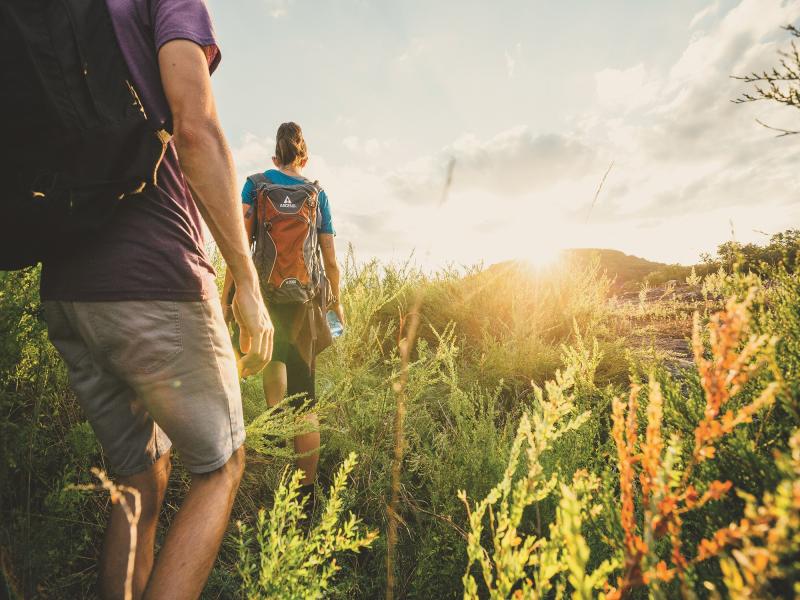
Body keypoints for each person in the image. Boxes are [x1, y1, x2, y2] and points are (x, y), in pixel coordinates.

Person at [39, 1, 273, 598]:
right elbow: (193, 126)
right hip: (156, 272)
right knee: (221, 468)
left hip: (66, 285)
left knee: (139, 474)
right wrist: (246, 281)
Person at [223, 122, 344, 509]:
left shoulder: (255, 186)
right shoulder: (316, 193)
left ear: (275, 157)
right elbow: (330, 258)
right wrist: (336, 300)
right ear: (303, 157)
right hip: (305, 302)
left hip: (264, 297)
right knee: (305, 400)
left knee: (273, 359)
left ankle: (276, 434)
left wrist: (230, 295)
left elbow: (238, 244)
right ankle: (304, 497)